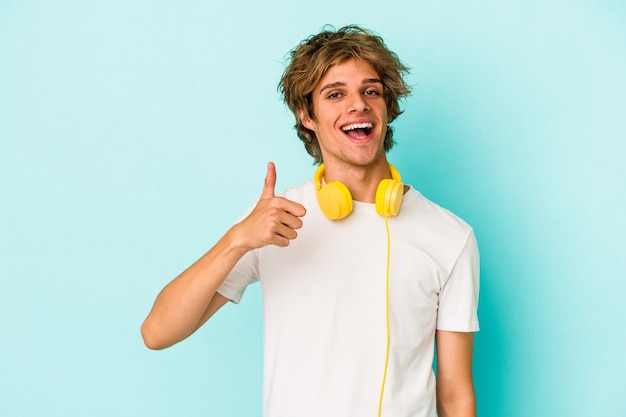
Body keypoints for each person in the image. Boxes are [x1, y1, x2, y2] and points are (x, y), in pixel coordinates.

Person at [141, 25, 480, 417]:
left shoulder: (450, 236)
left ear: (387, 105)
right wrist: (237, 240)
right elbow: (157, 332)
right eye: (335, 94)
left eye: (370, 90)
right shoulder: (273, 220)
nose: (358, 105)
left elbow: (455, 394)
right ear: (307, 116)